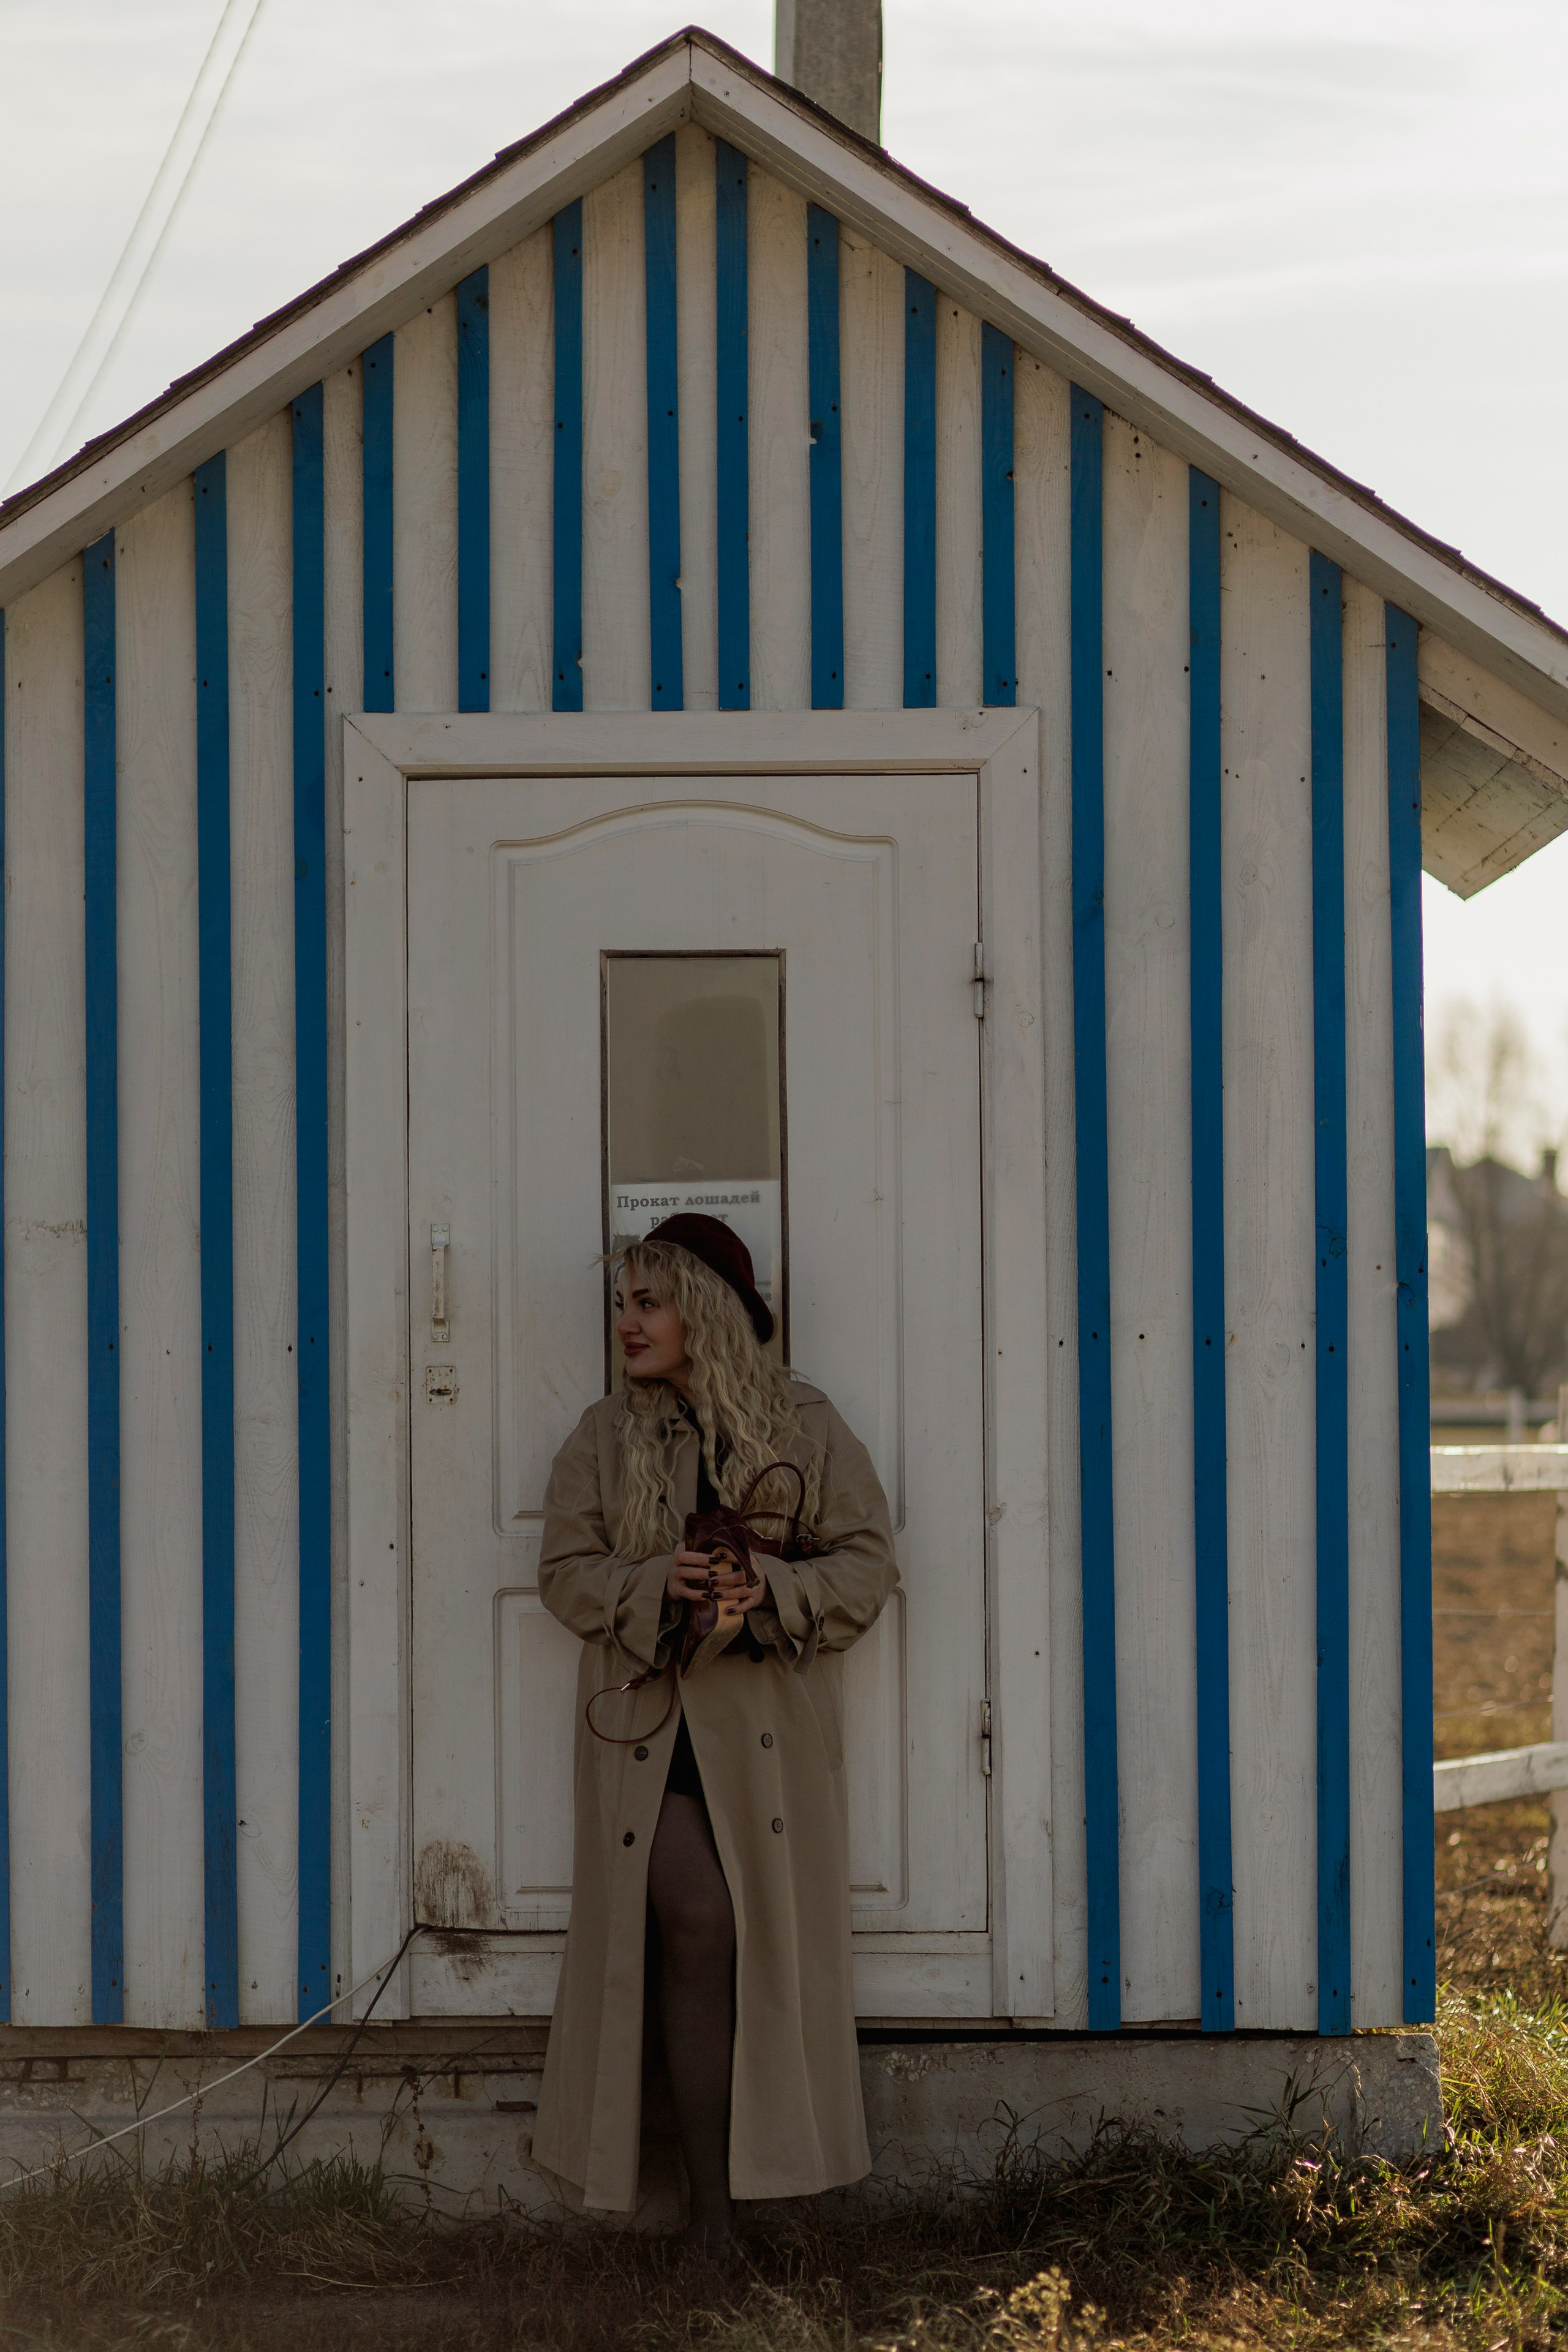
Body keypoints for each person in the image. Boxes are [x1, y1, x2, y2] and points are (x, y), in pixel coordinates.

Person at [530, 1213, 899, 2258]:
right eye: (621, 1304)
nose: (627, 1323)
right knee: (698, 1921)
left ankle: (726, 2212)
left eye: (648, 1302)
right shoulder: (605, 1436)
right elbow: (564, 1572)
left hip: (764, 1741)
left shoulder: (804, 1425)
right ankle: (712, 2221)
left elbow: (868, 1566)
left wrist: (766, 1587)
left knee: (752, 1947)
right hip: (648, 1732)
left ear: (704, 1310)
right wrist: (657, 1581)